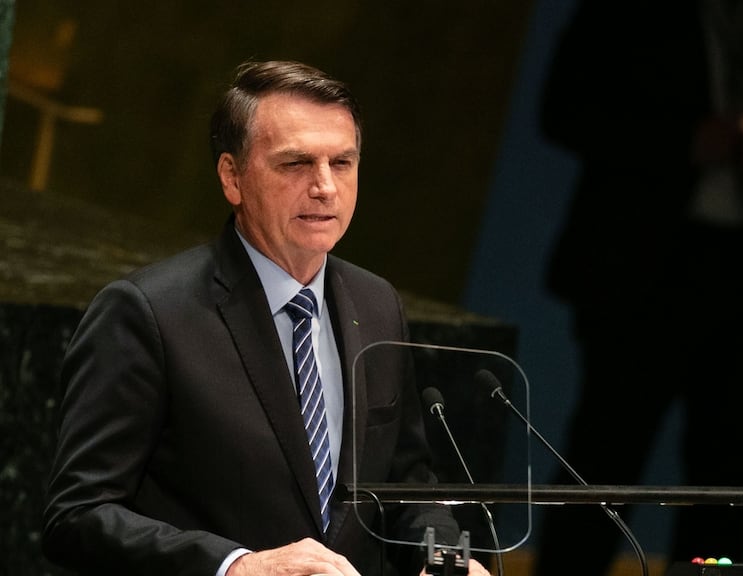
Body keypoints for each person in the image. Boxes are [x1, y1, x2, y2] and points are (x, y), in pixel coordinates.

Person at [41, 59, 493, 576]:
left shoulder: (377, 304)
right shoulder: (148, 313)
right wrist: (237, 567)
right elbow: (77, 516)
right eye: (296, 163)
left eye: (342, 163)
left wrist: (444, 559)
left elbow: (405, 484)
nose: (325, 186)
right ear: (232, 177)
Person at [533, 0, 743, 573]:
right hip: (639, 269)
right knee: (602, 465)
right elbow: (564, 110)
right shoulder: (627, 10)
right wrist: (681, 140)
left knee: (726, 482)